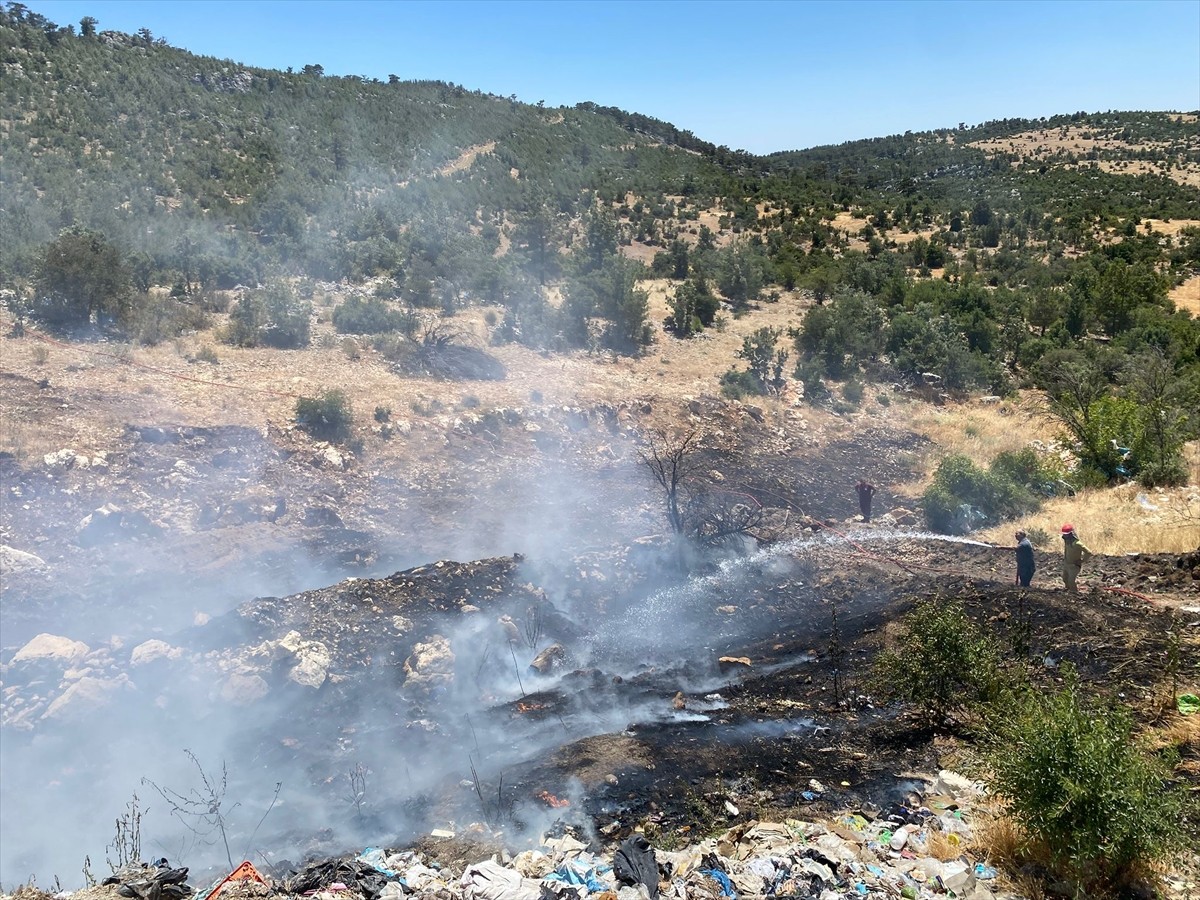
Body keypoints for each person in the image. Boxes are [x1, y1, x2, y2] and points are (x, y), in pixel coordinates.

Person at [1060, 523, 1091, 593]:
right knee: (1065, 579)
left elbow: (1088, 552)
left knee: (1071, 581)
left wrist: (1082, 561)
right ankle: (1068, 590)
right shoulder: (1067, 541)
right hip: (1067, 564)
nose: (1065, 536)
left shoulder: (1077, 543)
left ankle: (1074, 594)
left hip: (1074, 566)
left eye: (1066, 534)